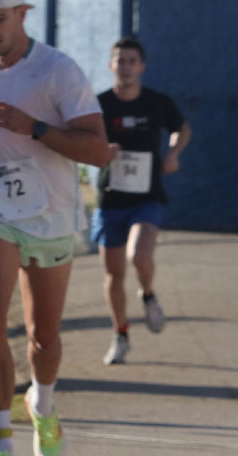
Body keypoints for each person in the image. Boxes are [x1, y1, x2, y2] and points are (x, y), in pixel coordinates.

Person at [0, 0, 110, 456]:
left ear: (22, 15)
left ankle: (42, 401)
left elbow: (98, 150)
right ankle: (0, 439)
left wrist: (34, 127)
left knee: (44, 337)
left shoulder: (58, 70)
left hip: (50, 215)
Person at [93, 37, 191, 365]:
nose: (126, 67)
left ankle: (148, 295)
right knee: (113, 275)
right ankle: (120, 334)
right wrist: (100, 152)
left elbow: (182, 129)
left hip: (147, 196)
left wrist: (173, 153)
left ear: (142, 67)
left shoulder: (156, 102)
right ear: (111, 66)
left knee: (140, 255)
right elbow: (83, 140)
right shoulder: (99, 105)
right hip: (110, 198)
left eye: (132, 61)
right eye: (120, 61)